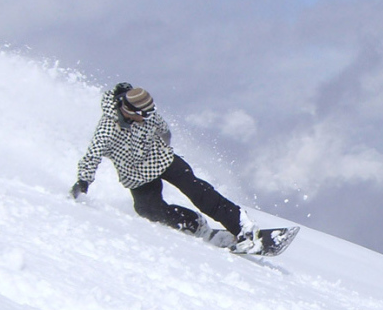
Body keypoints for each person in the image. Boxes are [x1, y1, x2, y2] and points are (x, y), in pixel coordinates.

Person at [71, 82, 258, 250]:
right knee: (149, 211)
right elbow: (92, 156)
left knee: (198, 190)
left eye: (150, 112)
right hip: (137, 177)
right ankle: (197, 227)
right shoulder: (107, 131)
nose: (149, 117)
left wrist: (165, 147)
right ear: (130, 111)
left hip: (163, 160)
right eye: (144, 114)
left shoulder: (147, 114)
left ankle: (241, 227)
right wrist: (83, 181)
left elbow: (164, 130)